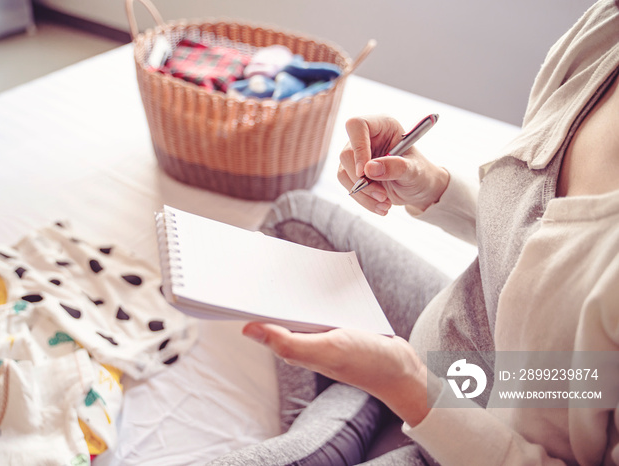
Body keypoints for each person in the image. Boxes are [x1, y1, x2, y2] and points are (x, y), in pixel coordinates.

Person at [233, 0, 619, 464]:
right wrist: (433, 189)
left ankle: (357, 417)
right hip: (472, 355)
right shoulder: (605, 29)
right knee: (294, 217)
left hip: (484, 443)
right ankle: (354, 412)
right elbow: (545, 249)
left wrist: (407, 387)